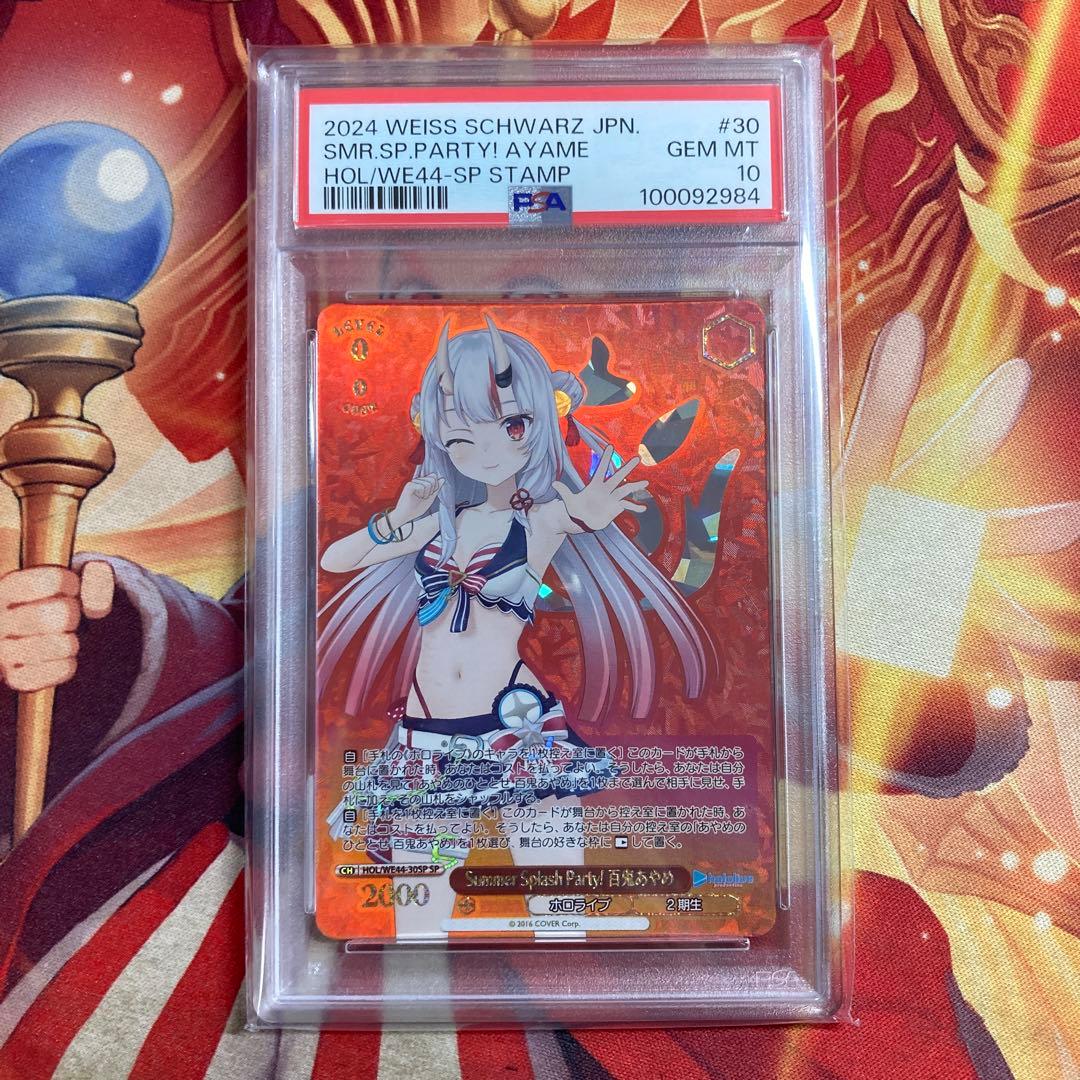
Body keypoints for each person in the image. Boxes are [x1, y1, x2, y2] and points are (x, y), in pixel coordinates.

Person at [318, 316, 711, 937]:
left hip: (516, 726)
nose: (486, 447)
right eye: (461, 431)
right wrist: (396, 517)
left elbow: (573, 516)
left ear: (539, 424)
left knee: (558, 916)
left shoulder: (538, 521)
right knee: (419, 926)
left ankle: (565, 983)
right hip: (427, 737)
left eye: (512, 425)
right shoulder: (442, 521)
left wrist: (589, 511)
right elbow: (335, 560)